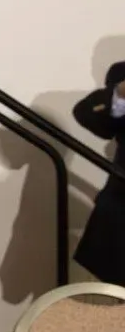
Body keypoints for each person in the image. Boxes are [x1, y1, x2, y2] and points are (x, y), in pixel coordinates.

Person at [72, 60, 125, 285]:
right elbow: (87, 114)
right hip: (120, 233)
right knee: (106, 317)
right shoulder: (122, 74)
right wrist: (121, 95)